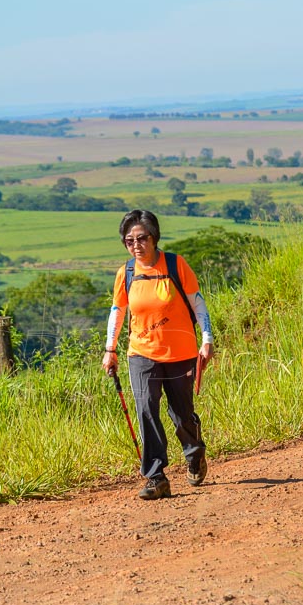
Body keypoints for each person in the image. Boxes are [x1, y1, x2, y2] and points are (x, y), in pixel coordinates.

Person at [102, 210, 214, 500]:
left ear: (154, 238)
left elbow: (197, 303)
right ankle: (156, 477)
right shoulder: (126, 273)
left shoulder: (176, 265)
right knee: (146, 410)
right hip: (141, 353)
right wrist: (110, 349)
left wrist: (207, 338)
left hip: (180, 352)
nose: (136, 245)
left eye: (142, 238)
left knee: (181, 413)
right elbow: (118, 311)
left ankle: (194, 452)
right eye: (129, 240)